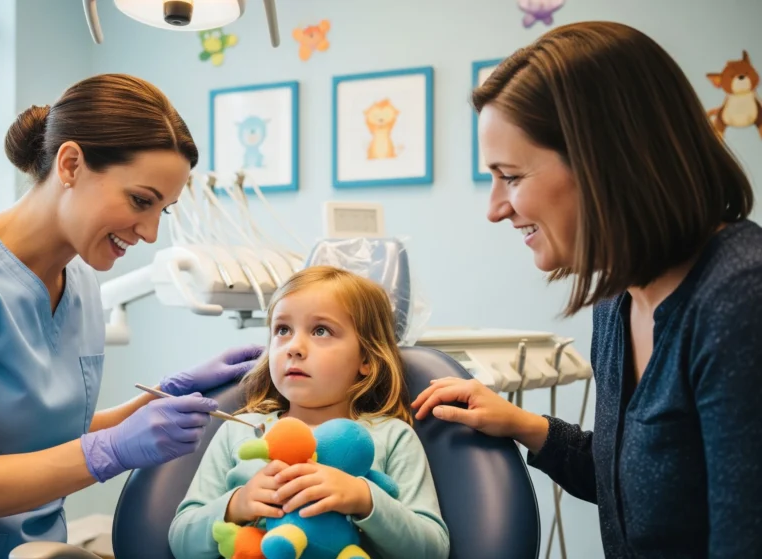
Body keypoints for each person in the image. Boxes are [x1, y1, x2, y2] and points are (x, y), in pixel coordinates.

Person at [0, 73, 262, 558]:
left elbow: (39, 435)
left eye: (164, 210)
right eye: (141, 201)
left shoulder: (79, 284)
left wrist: (165, 400)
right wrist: (113, 450)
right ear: (71, 163)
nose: (150, 231)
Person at [411, 21, 762, 558]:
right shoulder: (618, 300)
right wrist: (522, 424)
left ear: (602, 161)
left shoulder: (740, 301)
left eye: (511, 176)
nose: (495, 208)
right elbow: (641, 489)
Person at [169, 266, 450, 559]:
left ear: (366, 358)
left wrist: (365, 500)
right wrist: (235, 506)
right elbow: (180, 541)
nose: (294, 347)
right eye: (282, 330)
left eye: (321, 330)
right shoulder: (239, 431)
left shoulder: (392, 437)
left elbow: (433, 549)